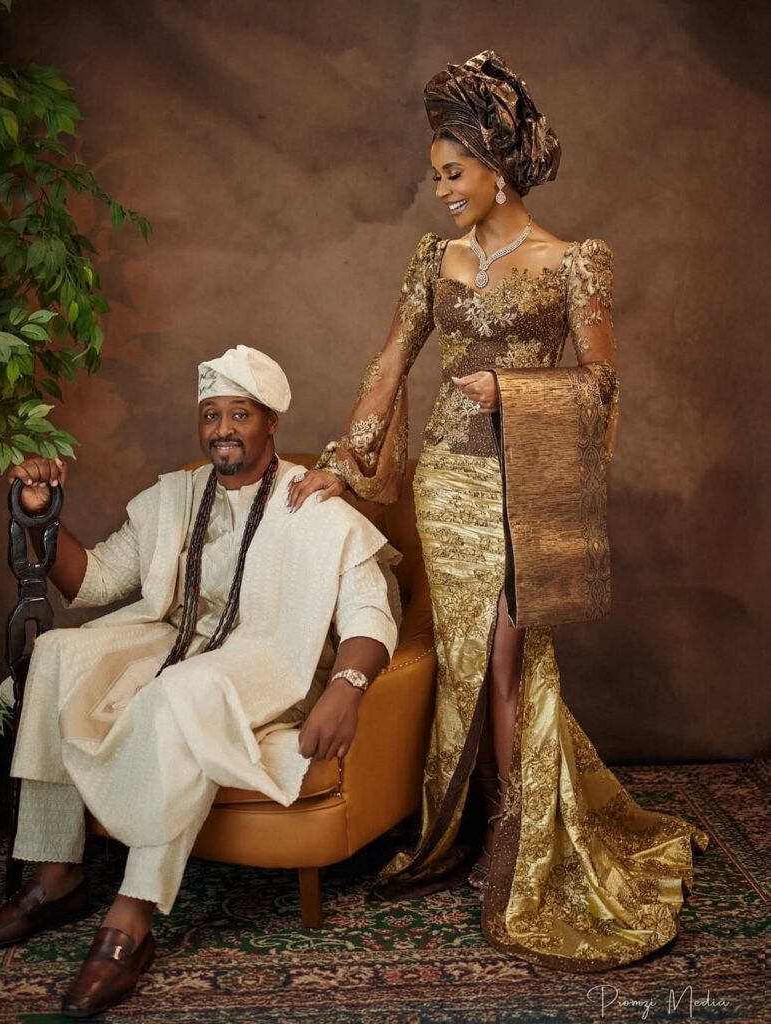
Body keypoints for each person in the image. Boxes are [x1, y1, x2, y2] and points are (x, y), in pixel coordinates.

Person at [288, 51, 708, 971]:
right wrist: (341, 467)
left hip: (526, 484)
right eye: (435, 175)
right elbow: (391, 364)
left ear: (497, 166)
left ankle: (520, 853)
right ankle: (481, 826)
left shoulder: (574, 264)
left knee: (507, 659)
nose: (440, 190)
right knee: (468, 662)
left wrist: (513, 389)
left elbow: (601, 387)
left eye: (453, 173)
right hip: (447, 481)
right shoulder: (432, 260)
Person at [0, 345, 399, 1016]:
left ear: (270, 422)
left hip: (269, 662)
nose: (223, 428)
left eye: (240, 414)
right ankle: (55, 877)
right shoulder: (176, 496)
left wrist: (348, 686)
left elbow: (370, 611)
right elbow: (94, 581)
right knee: (55, 656)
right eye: (212, 414)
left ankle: (129, 922)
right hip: (179, 641)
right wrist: (41, 513)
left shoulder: (315, 504)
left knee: (180, 693)